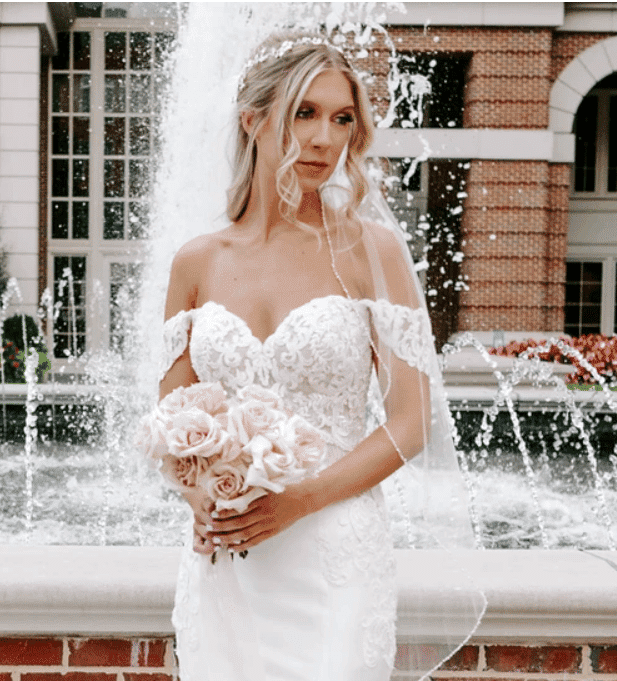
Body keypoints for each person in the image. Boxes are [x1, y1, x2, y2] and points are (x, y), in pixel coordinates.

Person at [158, 32, 483, 681]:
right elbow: (171, 416)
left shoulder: (370, 250)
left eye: (341, 119)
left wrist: (298, 500)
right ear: (253, 120)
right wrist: (200, 495)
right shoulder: (196, 261)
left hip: (334, 549)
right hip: (230, 553)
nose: (324, 139)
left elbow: (410, 420)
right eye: (304, 113)